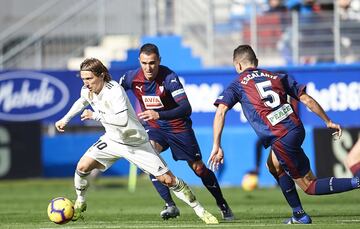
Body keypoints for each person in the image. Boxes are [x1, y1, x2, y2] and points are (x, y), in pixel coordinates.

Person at [54, 57, 219, 224]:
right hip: (112, 140)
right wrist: (65, 119)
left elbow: (122, 120)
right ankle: (80, 201)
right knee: (82, 166)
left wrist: (94, 115)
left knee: (168, 180)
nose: (86, 83)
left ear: (102, 75)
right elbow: (82, 101)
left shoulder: (115, 90)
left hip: (135, 142)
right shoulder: (87, 90)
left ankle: (200, 210)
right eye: (83, 79)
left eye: (89, 79)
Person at [208, 44, 360, 224]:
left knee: (309, 185)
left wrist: (217, 145)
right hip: (295, 128)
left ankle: (353, 184)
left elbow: (220, 112)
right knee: (273, 165)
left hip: (280, 137)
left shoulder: (237, 84)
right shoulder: (276, 76)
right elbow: (307, 100)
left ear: (238, 65)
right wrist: (328, 121)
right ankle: (298, 214)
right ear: (256, 62)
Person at [120, 43, 234, 221]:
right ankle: (170, 205)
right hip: (155, 128)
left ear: (159, 61)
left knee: (198, 167)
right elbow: (113, 90)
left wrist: (159, 114)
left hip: (178, 127)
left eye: (152, 63)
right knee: (150, 154)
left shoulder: (169, 78)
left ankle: (222, 203)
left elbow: (186, 108)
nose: (148, 67)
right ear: (139, 61)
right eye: (144, 63)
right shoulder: (131, 77)